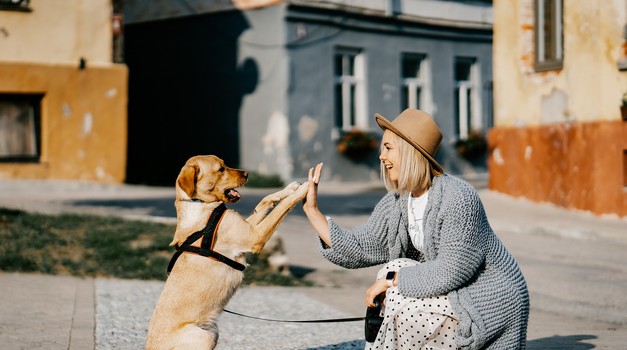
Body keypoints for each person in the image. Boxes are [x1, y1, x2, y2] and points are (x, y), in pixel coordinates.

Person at [302, 109, 529, 349]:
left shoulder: (459, 198)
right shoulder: (399, 200)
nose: (381, 156)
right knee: (393, 270)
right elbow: (361, 247)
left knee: (400, 296)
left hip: (487, 297)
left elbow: (451, 271)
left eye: (388, 148)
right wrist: (313, 212)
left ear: (411, 150)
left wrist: (391, 282)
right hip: (453, 291)